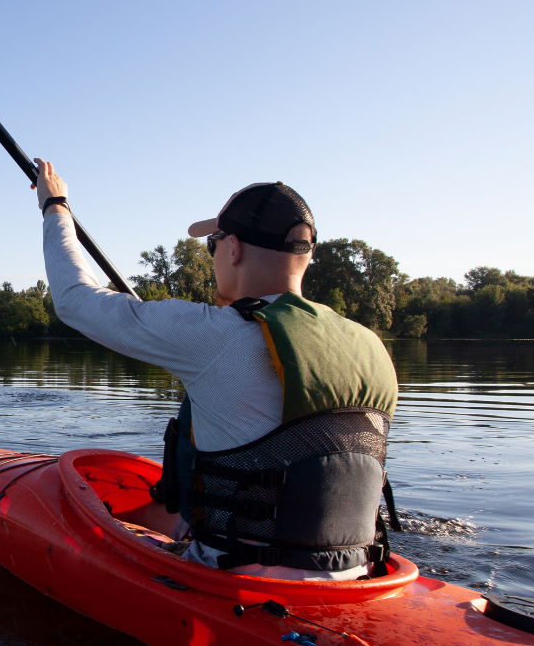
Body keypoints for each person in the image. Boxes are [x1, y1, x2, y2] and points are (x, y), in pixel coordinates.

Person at [35, 159, 400, 581]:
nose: (214, 256)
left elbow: (74, 298)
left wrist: (55, 206)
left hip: (237, 578)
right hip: (357, 573)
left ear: (234, 248)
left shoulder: (217, 334)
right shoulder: (369, 345)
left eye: (213, 244)